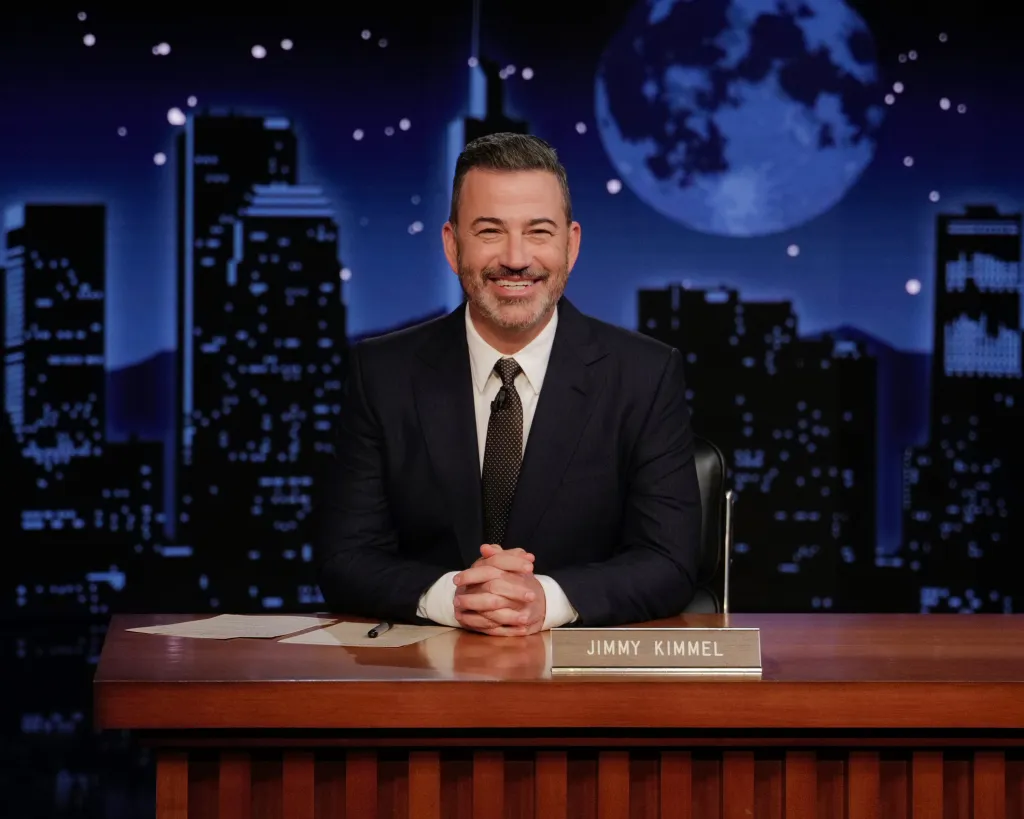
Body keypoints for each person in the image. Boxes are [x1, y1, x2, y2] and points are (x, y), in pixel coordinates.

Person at [316, 132, 701, 635]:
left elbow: (668, 561)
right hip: (425, 687)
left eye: (539, 232)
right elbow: (345, 557)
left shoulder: (645, 375)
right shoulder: (382, 373)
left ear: (572, 243)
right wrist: (454, 597)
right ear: (453, 246)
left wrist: (546, 599)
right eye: (490, 231)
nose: (517, 258)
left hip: (585, 693)